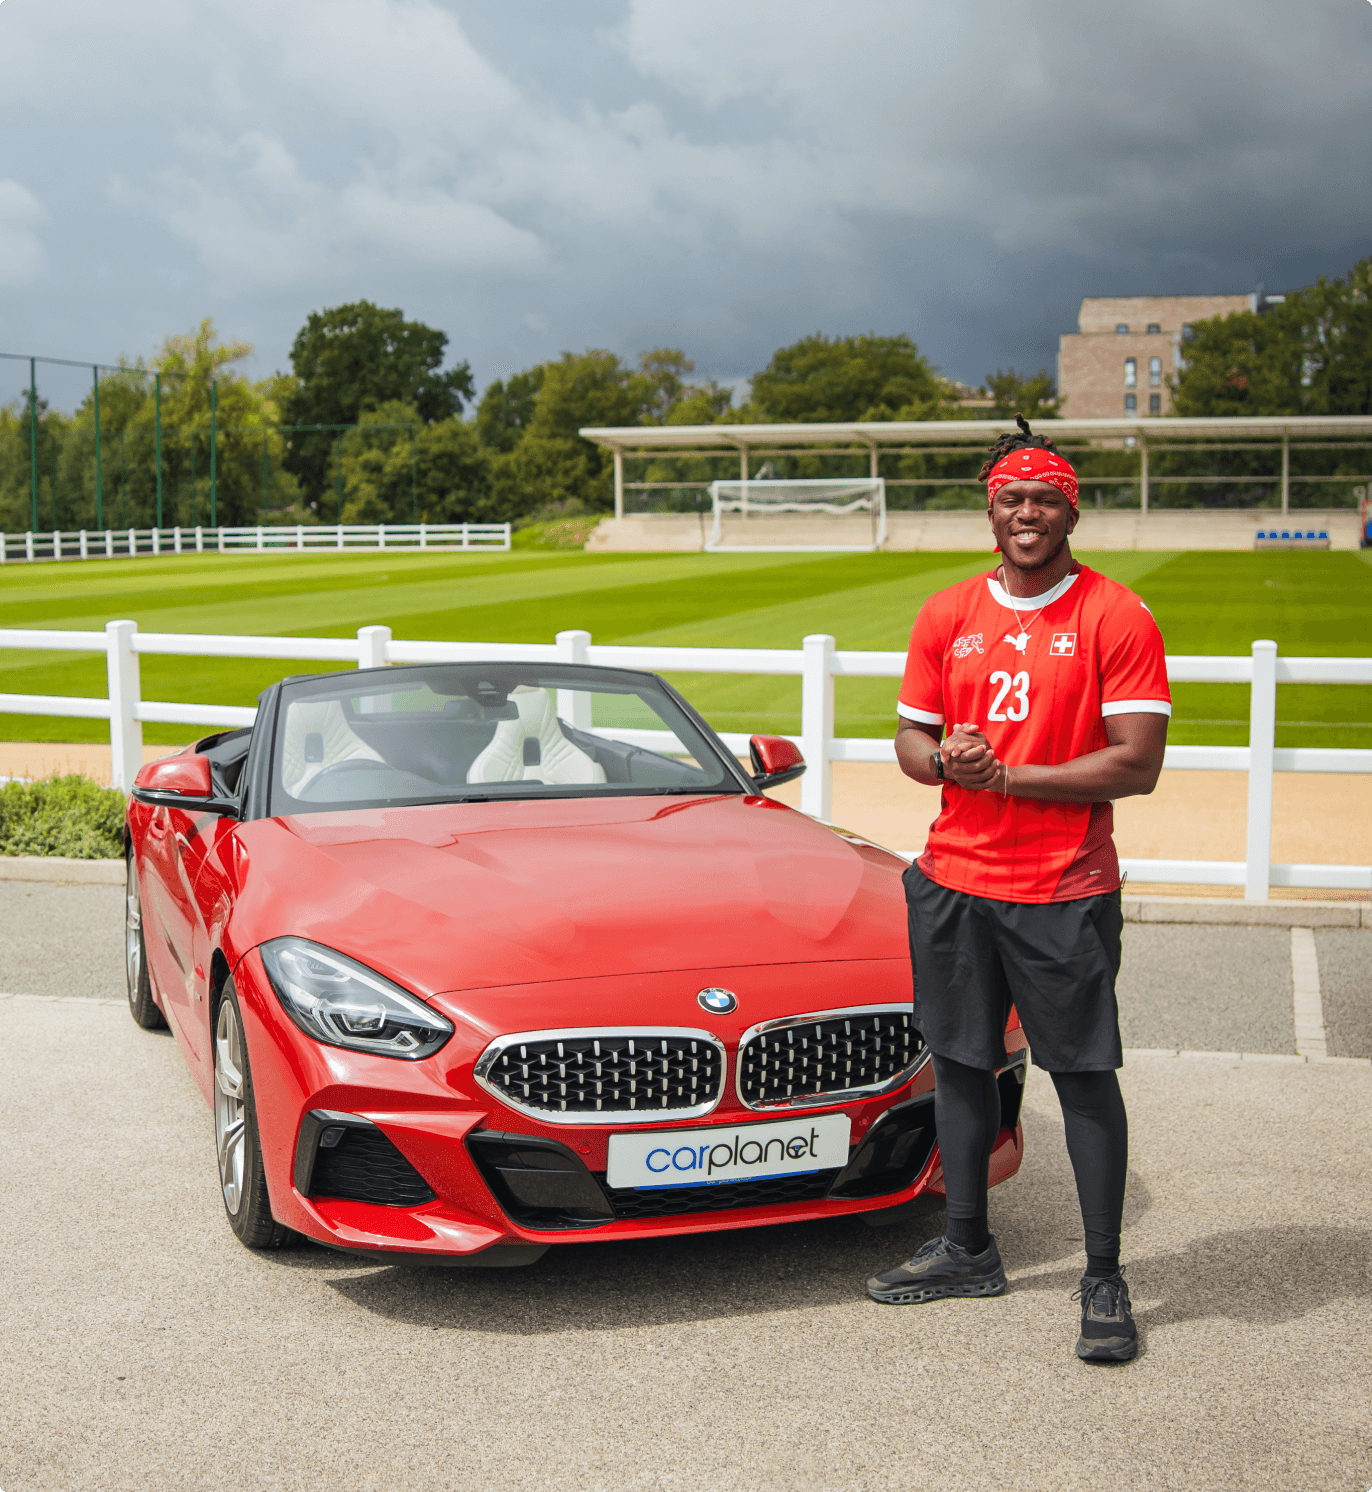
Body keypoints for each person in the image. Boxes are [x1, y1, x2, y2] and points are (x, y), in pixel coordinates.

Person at [866, 415, 1171, 1364]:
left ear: (1070, 510)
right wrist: (941, 760)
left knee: (1082, 1077)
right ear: (990, 511)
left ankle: (1105, 1275)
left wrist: (1010, 779)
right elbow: (911, 739)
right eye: (1011, 499)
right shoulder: (948, 613)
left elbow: (1137, 765)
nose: (1027, 513)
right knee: (959, 1064)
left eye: (1044, 499)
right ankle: (968, 1247)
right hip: (954, 879)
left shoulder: (1114, 615)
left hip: (1061, 886)